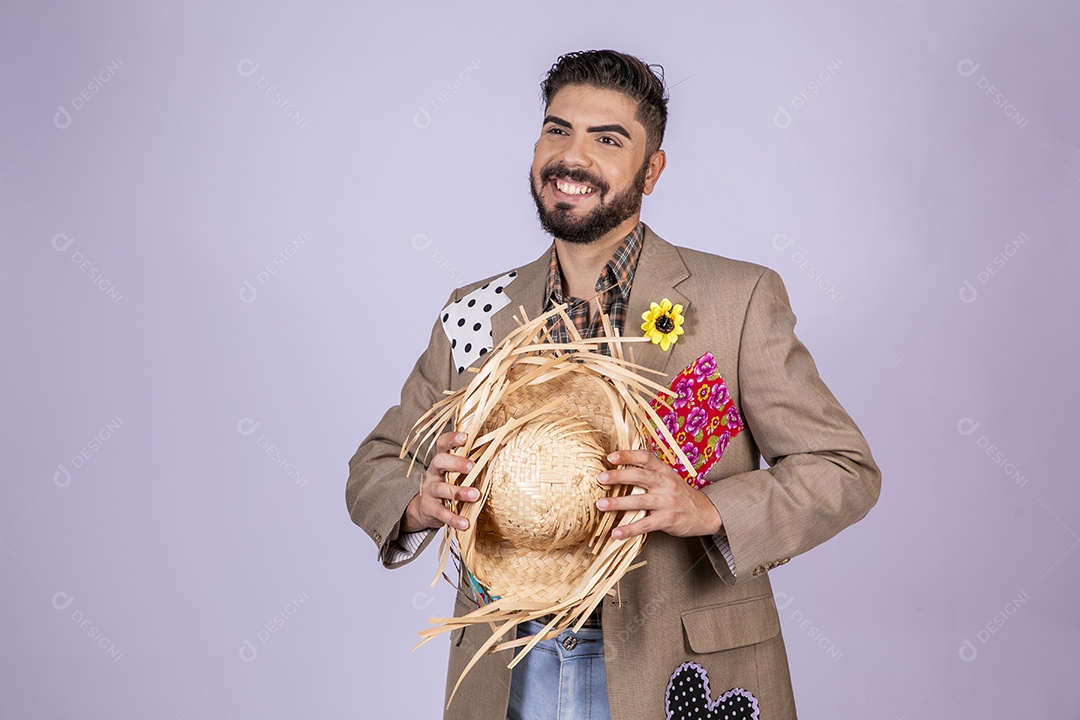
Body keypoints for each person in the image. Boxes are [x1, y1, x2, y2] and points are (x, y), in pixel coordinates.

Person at [346, 49, 880, 720]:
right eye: (557, 129)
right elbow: (374, 468)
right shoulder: (474, 310)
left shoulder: (738, 300)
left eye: (608, 138)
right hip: (512, 672)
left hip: (679, 668)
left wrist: (708, 510)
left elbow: (844, 469)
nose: (572, 156)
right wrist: (419, 502)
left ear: (651, 170)